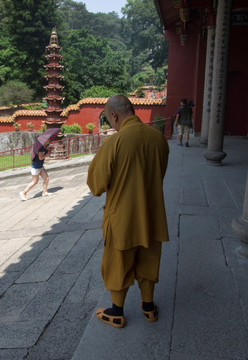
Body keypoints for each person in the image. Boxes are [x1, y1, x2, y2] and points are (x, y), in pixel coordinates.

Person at [87, 95, 169, 328]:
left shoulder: (115, 142)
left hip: (123, 217)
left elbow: (96, 185)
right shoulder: (158, 139)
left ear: (113, 115)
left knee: (118, 261)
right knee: (149, 257)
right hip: (152, 214)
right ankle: (148, 307)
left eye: (108, 119)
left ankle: (117, 311)